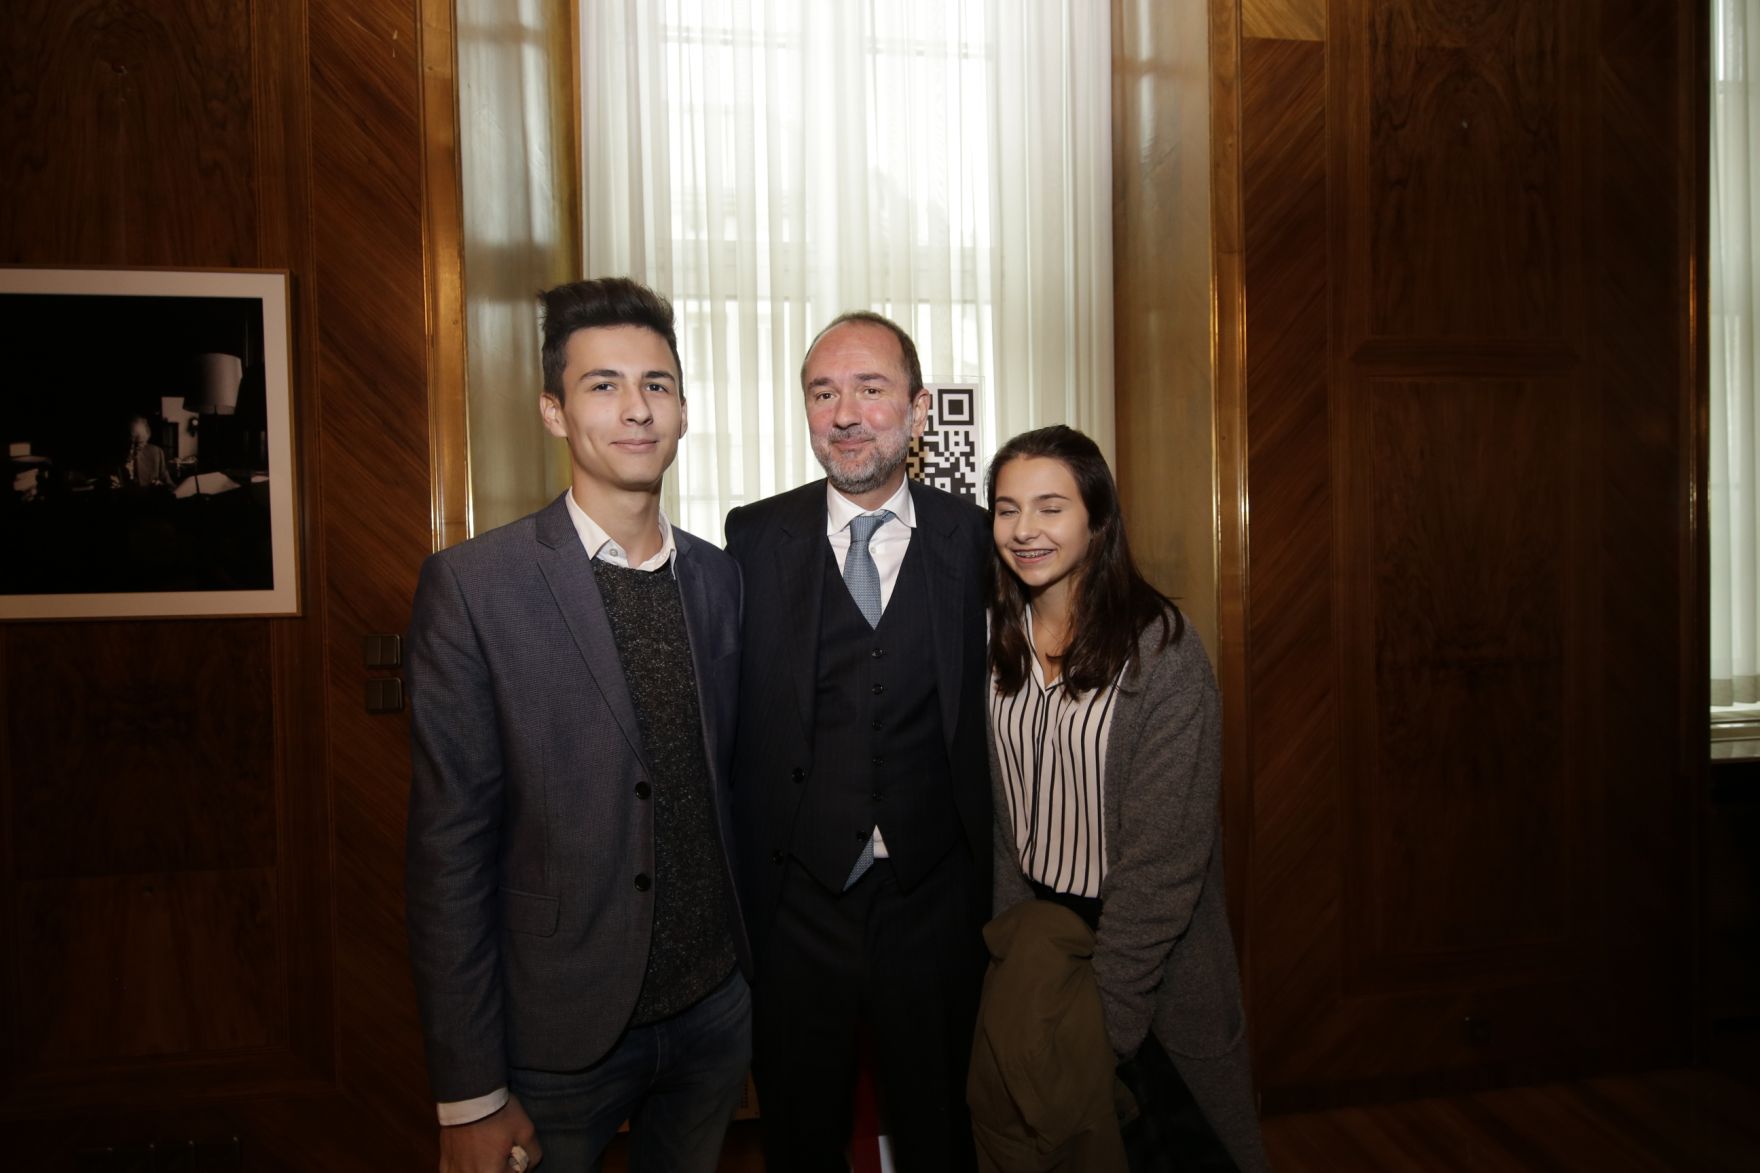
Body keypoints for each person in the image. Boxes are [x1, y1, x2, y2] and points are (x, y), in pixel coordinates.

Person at [405, 277, 750, 1173]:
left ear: (682, 409)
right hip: (558, 1038)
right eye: (603, 386)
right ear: (555, 412)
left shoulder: (720, 580)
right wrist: (470, 1094)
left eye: (657, 385)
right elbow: (449, 852)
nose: (636, 410)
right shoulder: (476, 589)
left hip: (714, 1012)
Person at [725, 311, 991, 1170]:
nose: (845, 412)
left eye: (870, 390)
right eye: (823, 391)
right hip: (799, 905)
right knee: (802, 1135)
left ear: (916, 410)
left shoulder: (977, 538)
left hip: (935, 900)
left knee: (939, 1131)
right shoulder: (752, 538)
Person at [972, 425, 1270, 1171]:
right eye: (1007, 509)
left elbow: (1166, 867)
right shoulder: (992, 640)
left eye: (1051, 506)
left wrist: (1102, 1024)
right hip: (1038, 942)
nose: (1025, 529)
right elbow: (1009, 826)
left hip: (1148, 958)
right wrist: (1015, 966)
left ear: (1098, 520)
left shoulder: (1161, 652)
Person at [114, 415, 176, 490]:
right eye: (128, 442)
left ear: (146, 441)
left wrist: (162, 487)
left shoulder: (156, 453)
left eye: (139, 444)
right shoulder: (110, 459)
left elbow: (171, 487)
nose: (131, 449)